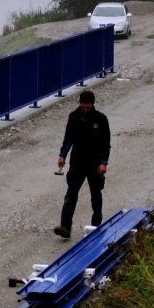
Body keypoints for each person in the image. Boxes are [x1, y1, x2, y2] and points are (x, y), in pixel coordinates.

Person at [53, 90, 110, 239]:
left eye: (87, 107)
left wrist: (104, 162)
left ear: (92, 105)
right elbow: (68, 138)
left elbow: (106, 143)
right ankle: (65, 226)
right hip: (77, 162)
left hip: (95, 164)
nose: (85, 110)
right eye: (83, 107)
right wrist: (62, 155)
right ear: (80, 104)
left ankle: (96, 225)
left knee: (95, 195)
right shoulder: (73, 117)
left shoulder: (101, 119)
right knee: (71, 194)